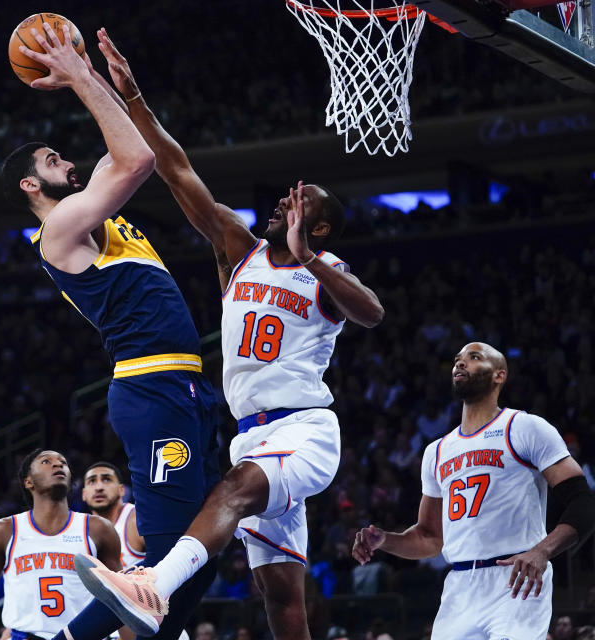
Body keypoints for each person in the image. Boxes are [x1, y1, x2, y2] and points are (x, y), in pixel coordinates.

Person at [73, 29, 384, 640]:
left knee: (234, 490)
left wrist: (311, 258)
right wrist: (132, 96)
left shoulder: (328, 273)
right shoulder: (239, 252)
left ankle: (151, 587)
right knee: (280, 595)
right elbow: (177, 169)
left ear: (318, 228)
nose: (280, 205)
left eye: (297, 204)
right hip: (248, 435)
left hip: (303, 430)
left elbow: (371, 313)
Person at [1, 22, 220, 640]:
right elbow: (138, 160)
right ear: (28, 185)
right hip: (151, 390)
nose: (65, 161)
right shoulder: (60, 231)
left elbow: (134, 144)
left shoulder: (90, 205)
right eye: (51, 160)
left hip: (182, 387)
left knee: (200, 551)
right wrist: (76, 77)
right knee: (163, 559)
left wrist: (119, 89)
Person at [351, 342, 595, 640]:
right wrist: (385, 540)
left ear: (499, 376)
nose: (460, 363)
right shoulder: (437, 451)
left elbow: (582, 502)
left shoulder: (524, 427)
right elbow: (430, 538)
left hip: (516, 579)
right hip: (460, 587)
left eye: (474, 357)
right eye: (457, 360)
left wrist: (542, 550)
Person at [0, 450, 124, 640]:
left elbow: (121, 602)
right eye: (46, 461)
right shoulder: (4, 531)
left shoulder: (98, 529)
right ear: (28, 482)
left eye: (63, 462)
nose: (58, 465)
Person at [82, 462, 145, 569]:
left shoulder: (137, 519)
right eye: (92, 481)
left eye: (106, 480)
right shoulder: (79, 528)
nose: (99, 487)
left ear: (121, 490)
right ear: (83, 494)